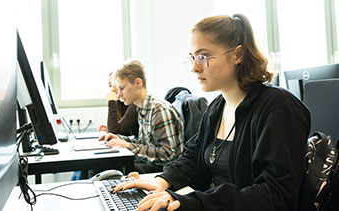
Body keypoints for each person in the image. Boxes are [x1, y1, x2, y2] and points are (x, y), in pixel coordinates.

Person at [112, 14, 311, 211]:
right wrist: (162, 181)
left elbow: (276, 196)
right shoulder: (217, 107)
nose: (195, 68)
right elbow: (193, 155)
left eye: (203, 57)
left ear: (238, 54)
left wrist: (195, 202)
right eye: (192, 58)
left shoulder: (278, 109)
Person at [99, 60, 185, 173]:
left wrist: (128, 145)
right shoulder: (141, 107)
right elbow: (145, 143)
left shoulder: (158, 110)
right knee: (102, 163)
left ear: (138, 83)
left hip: (164, 170)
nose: (118, 94)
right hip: (151, 163)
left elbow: (169, 155)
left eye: (122, 88)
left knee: (103, 168)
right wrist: (120, 139)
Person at [98, 72, 139, 136]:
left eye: (114, 85)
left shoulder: (135, 104)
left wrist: (112, 101)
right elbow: (122, 131)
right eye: (110, 86)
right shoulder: (123, 104)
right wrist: (109, 128)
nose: (112, 90)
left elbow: (114, 132)